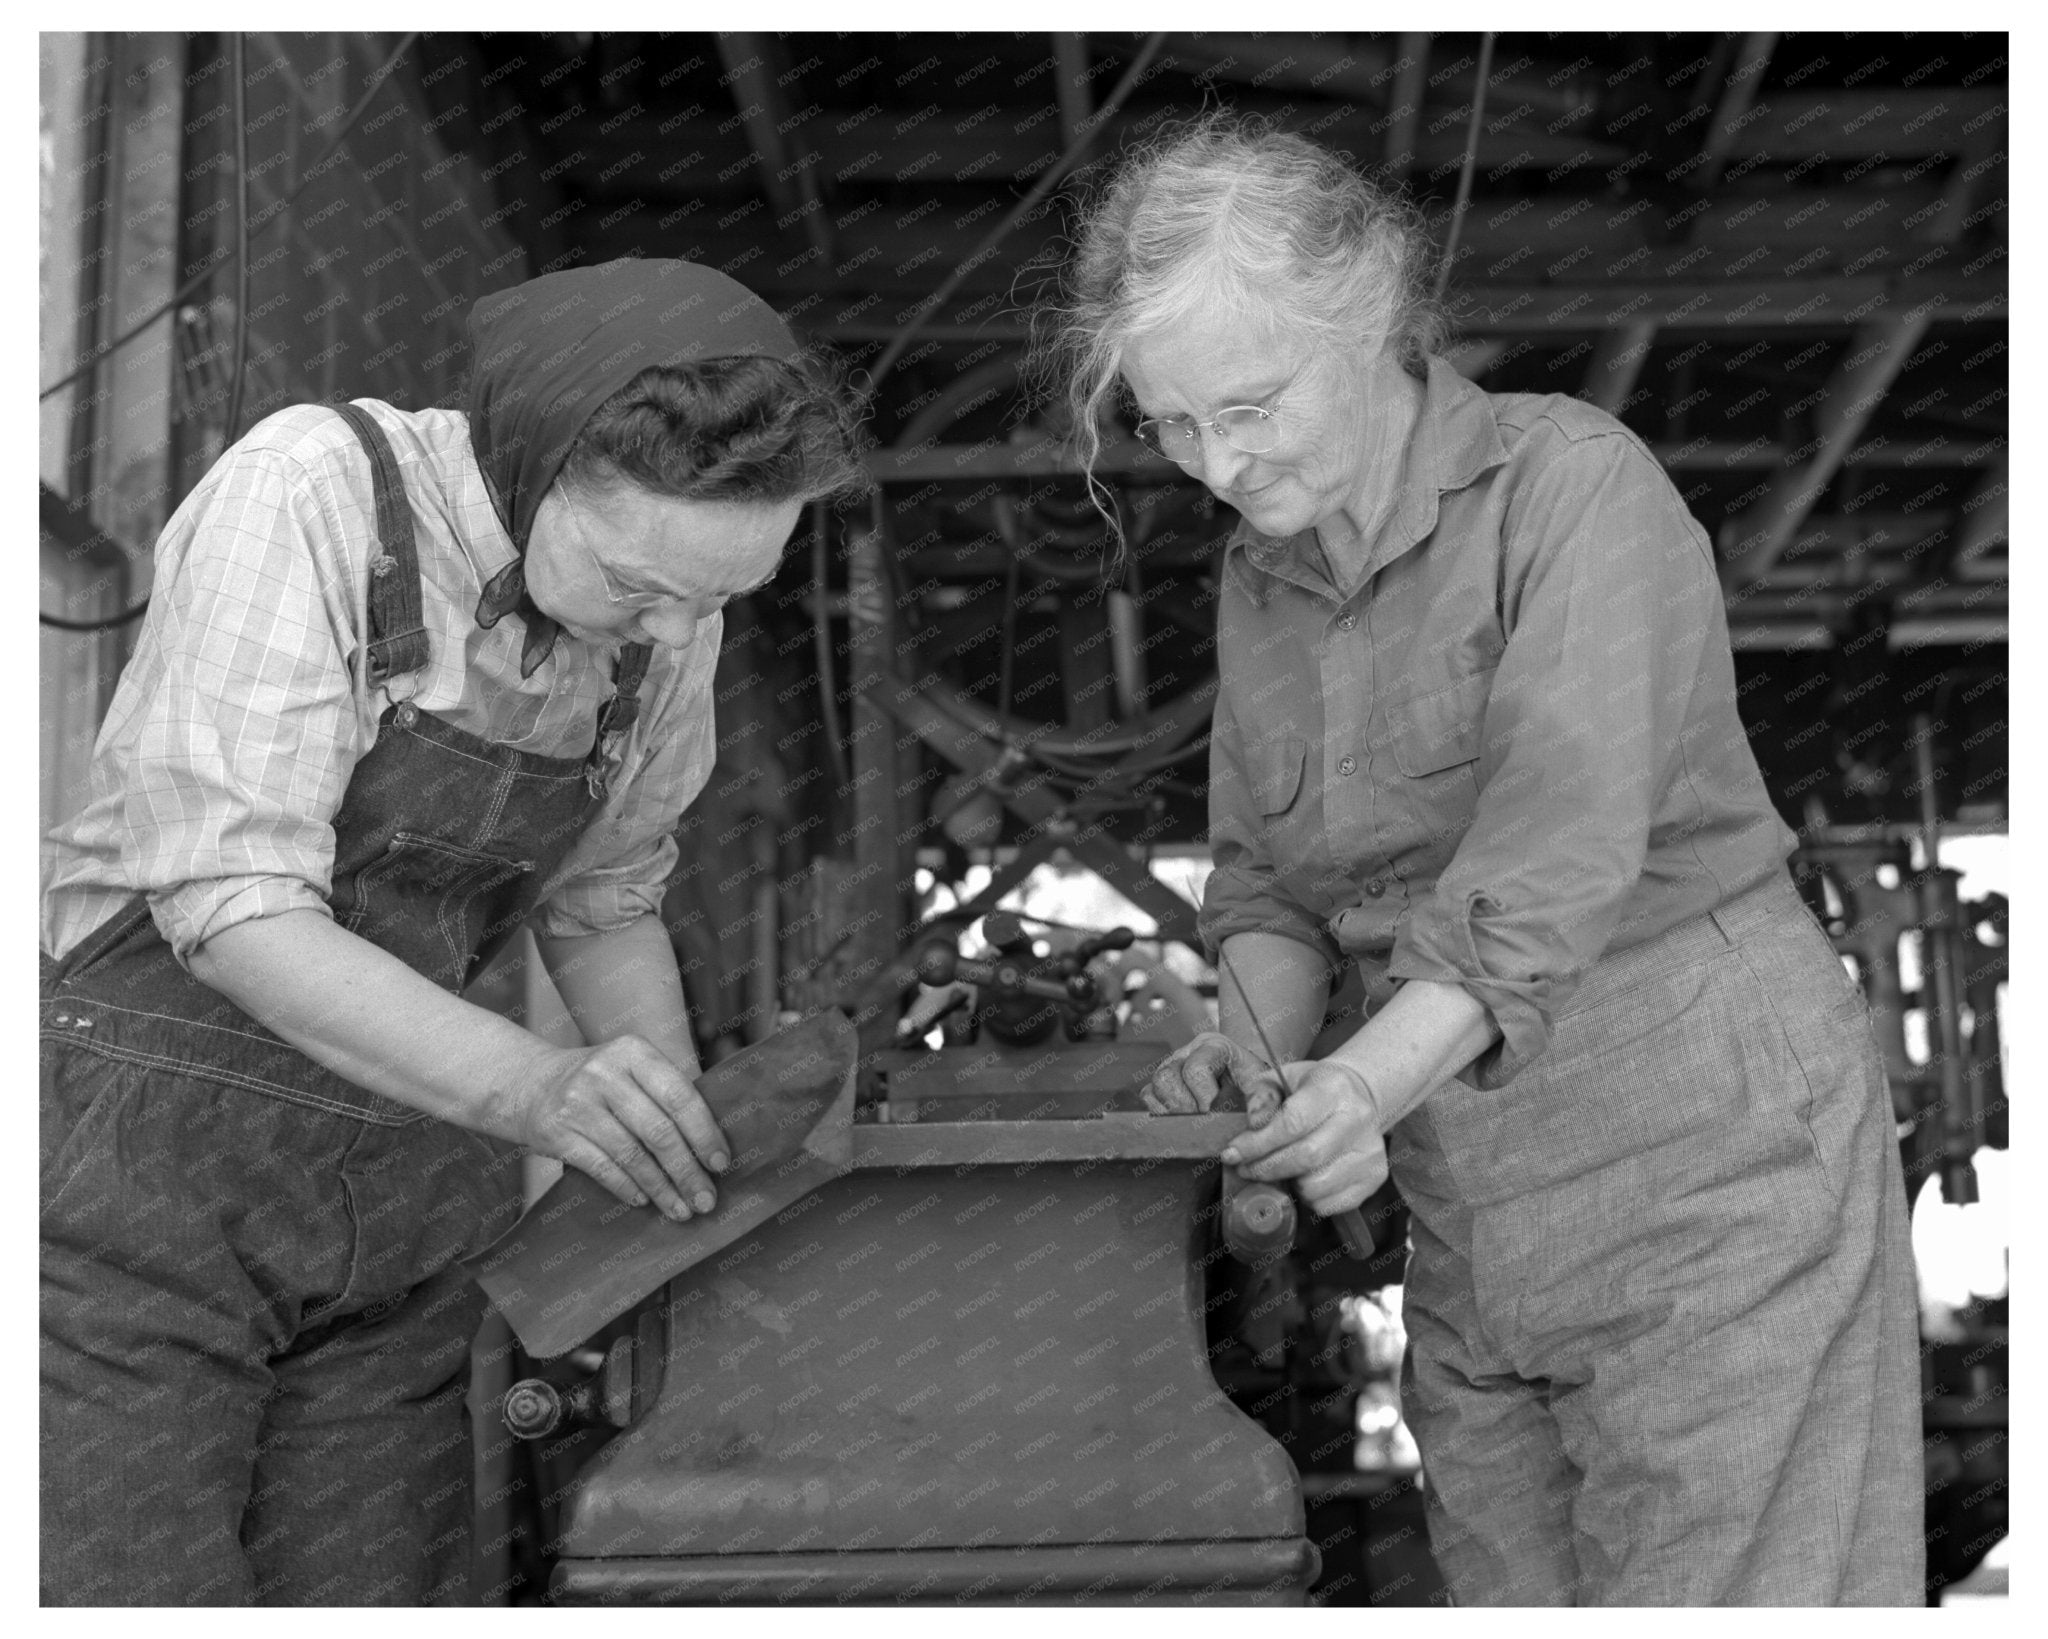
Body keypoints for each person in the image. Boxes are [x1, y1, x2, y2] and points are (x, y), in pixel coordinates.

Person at [1037, 115, 1923, 1606]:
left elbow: (1545, 867)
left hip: (1705, 1152)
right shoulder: (1268, 577)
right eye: (1173, 427)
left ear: (1376, 314)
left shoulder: (1573, 488)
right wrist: (1261, 1056)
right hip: (1467, 1204)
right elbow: (1269, 887)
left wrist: (1361, 1085)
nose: (1216, 465)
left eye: (1249, 406)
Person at [40, 257, 868, 1605]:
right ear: (535, 462)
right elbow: (229, 904)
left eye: (724, 595)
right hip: (138, 1173)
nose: (678, 627)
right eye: (639, 583)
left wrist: (665, 1156)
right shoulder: (314, 492)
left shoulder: (670, 618)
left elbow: (602, 897)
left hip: (401, 1203)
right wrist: (544, 1091)